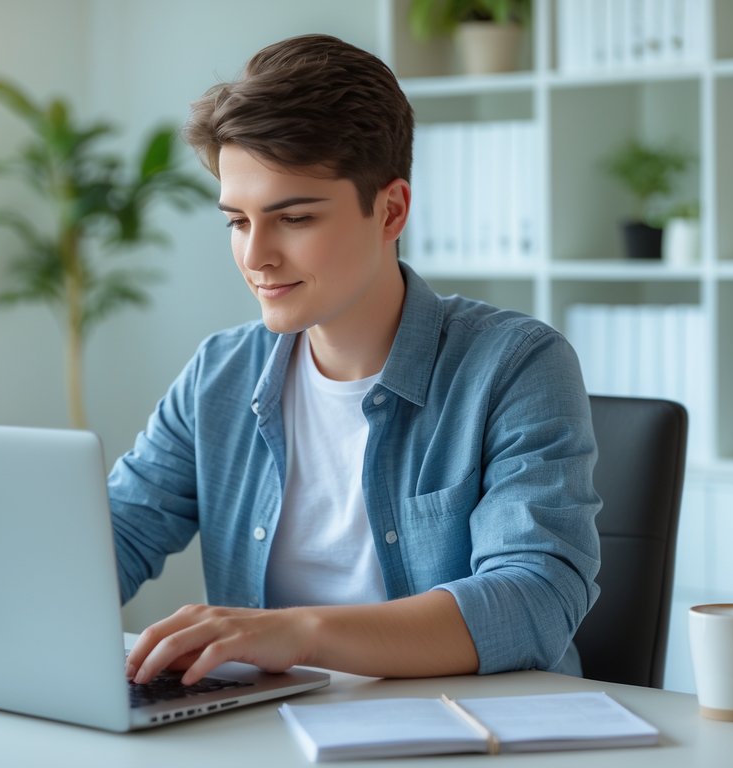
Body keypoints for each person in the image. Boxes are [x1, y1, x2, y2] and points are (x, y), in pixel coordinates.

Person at [113, 33, 600, 687]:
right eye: (237, 221)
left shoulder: (513, 364)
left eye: (294, 218)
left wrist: (298, 633)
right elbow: (117, 535)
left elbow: (535, 598)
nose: (255, 256)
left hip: (466, 735)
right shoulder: (219, 373)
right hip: (264, 736)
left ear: (391, 209)